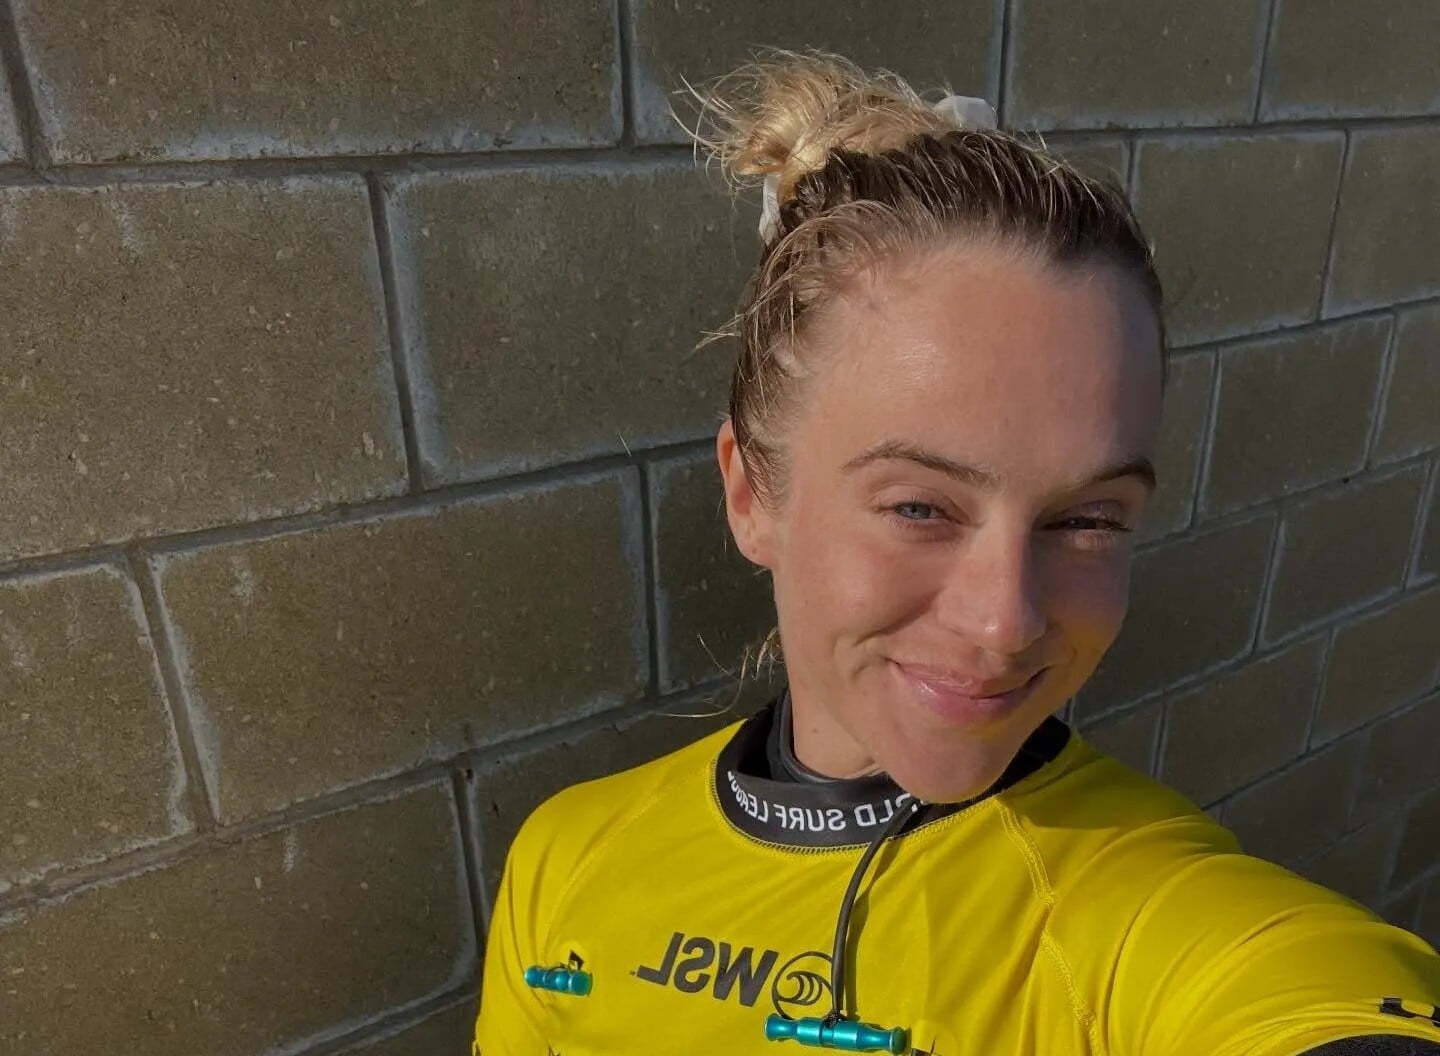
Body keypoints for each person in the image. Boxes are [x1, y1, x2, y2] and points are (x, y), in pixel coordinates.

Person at [472, 52, 1440, 1056]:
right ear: (752, 494)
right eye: (919, 507)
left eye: (1088, 519)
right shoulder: (566, 860)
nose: (1005, 621)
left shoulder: (1136, 907)